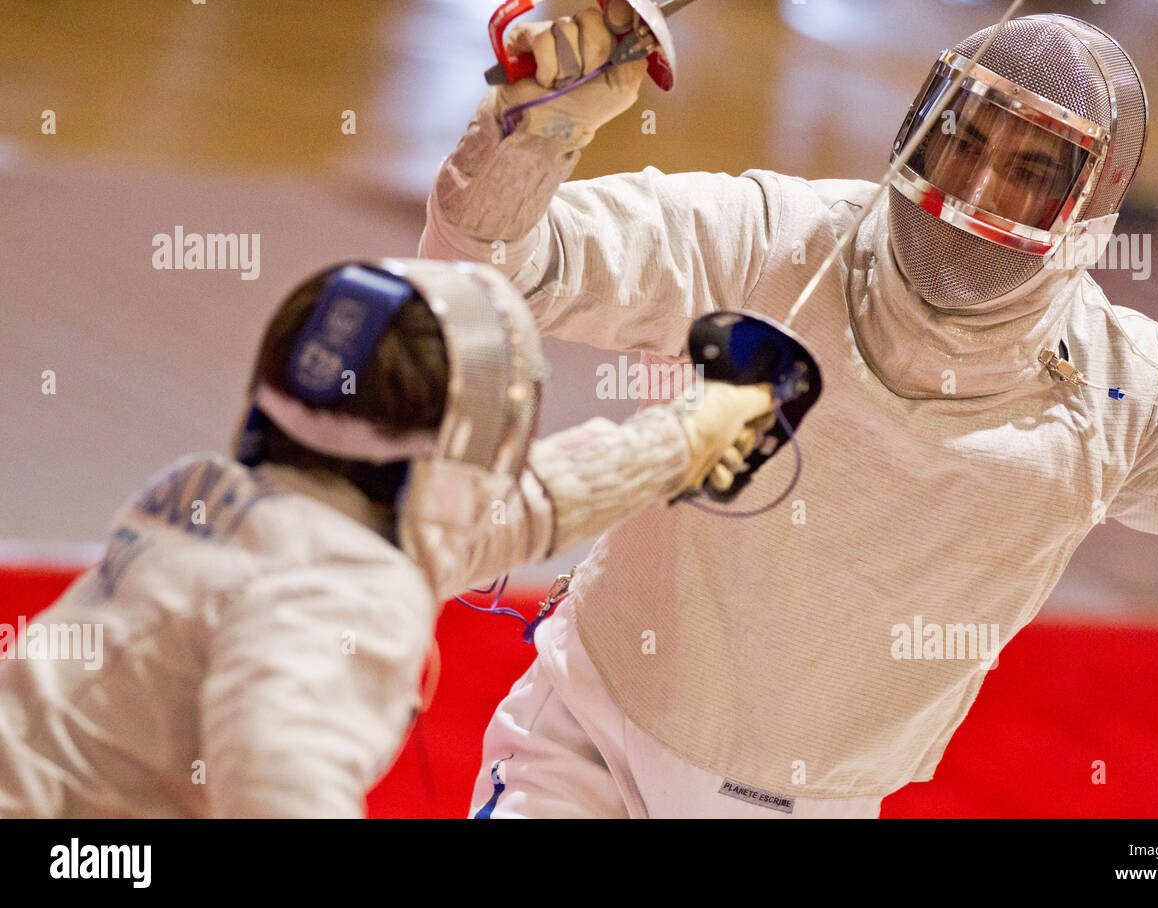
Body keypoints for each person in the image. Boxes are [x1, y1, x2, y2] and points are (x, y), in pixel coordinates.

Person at [420, 4, 1158, 817]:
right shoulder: (770, 239)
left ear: (1088, 211)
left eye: (1030, 169)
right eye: (962, 137)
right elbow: (487, 276)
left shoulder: (1117, 394)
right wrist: (533, 130)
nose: (977, 185)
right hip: (588, 727)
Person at [0, 258, 774, 817]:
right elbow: (280, 793)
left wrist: (687, 436)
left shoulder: (213, 494)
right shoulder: (343, 593)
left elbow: (510, 508)